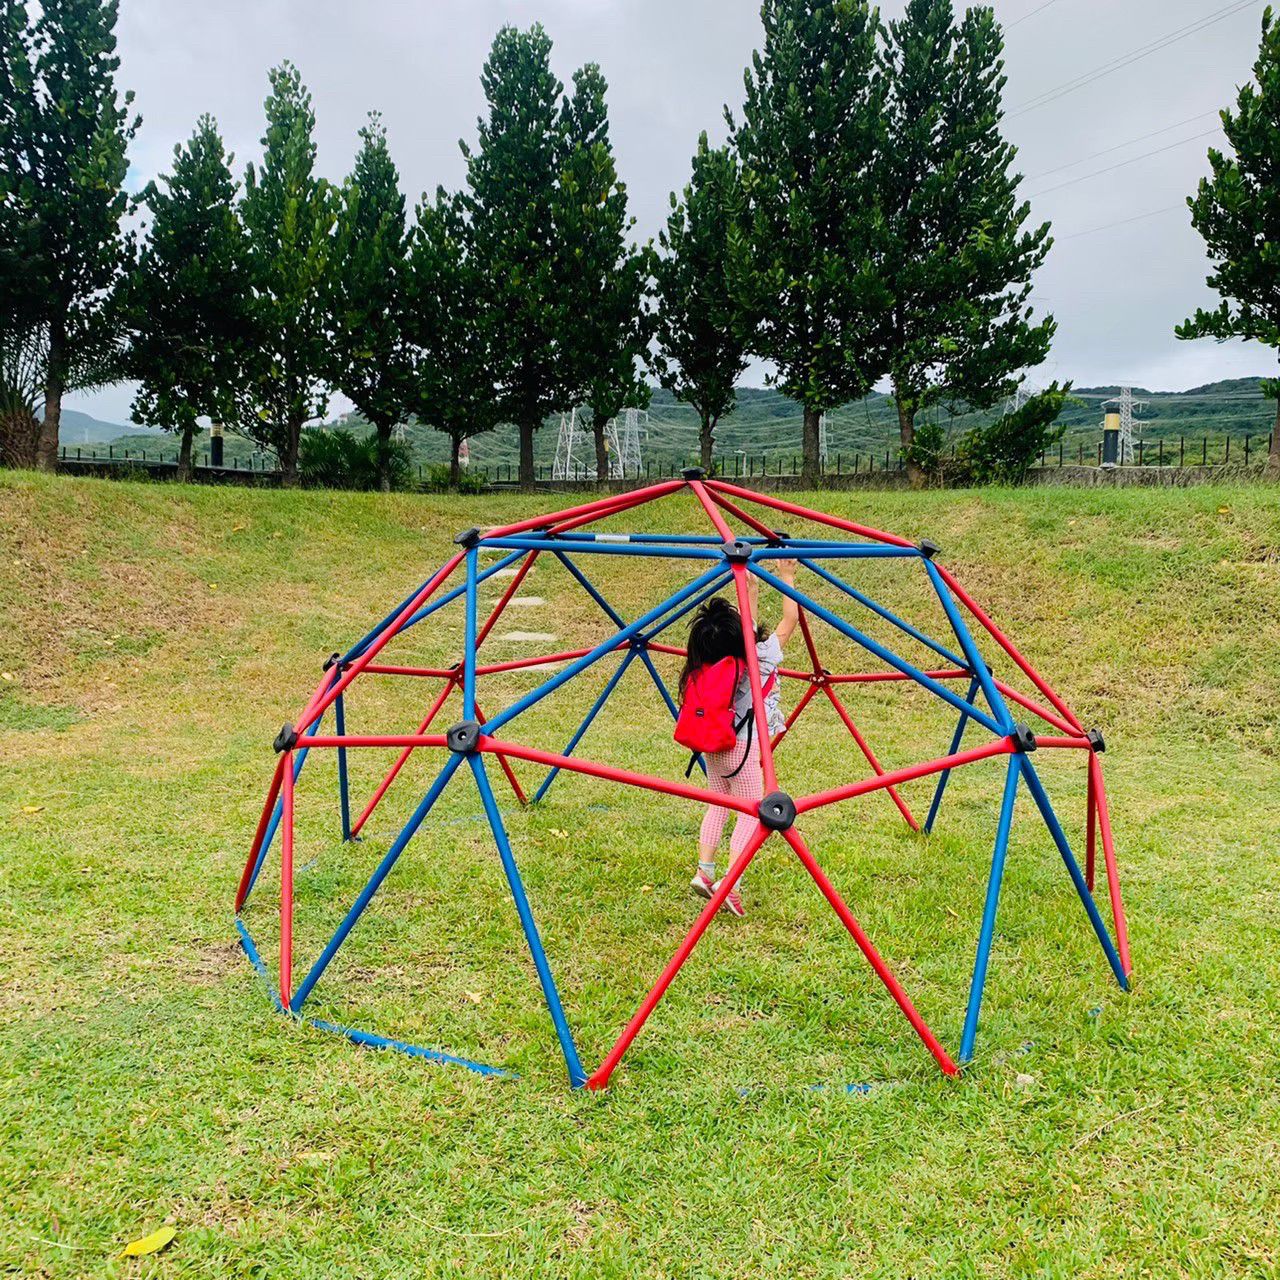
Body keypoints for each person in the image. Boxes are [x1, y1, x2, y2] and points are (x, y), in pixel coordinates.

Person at [678, 561, 798, 916]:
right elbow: (788, 622)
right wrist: (787, 578)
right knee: (751, 812)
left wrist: (746, 579)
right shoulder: (759, 657)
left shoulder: (710, 663)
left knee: (718, 802)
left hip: (714, 744)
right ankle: (731, 885)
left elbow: (747, 620)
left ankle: (705, 871)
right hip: (743, 748)